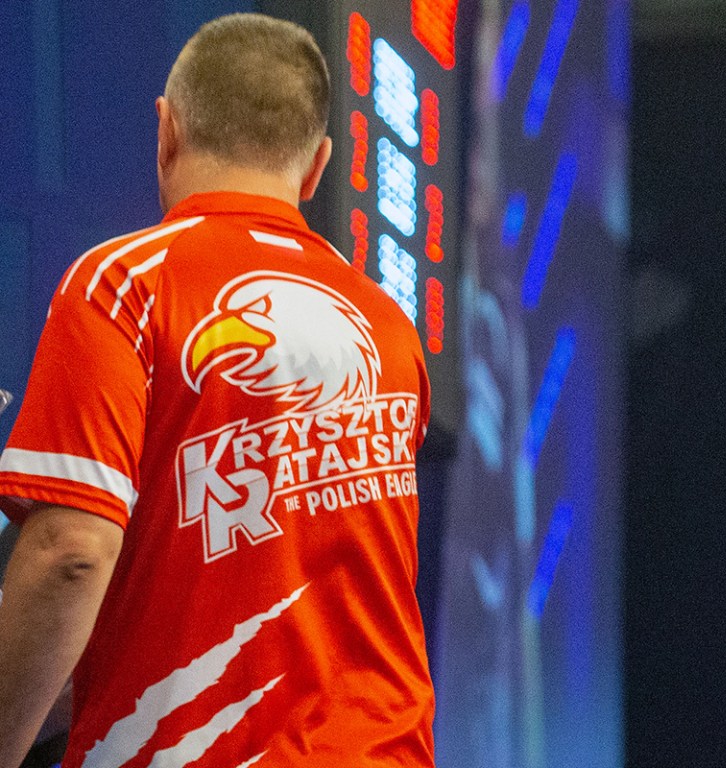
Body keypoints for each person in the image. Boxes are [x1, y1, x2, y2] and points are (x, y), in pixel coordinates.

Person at [0, 14, 435, 768]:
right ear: (317, 166)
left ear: (166, 132)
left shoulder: (123, 286)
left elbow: (72, 553)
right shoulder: (391, 328)